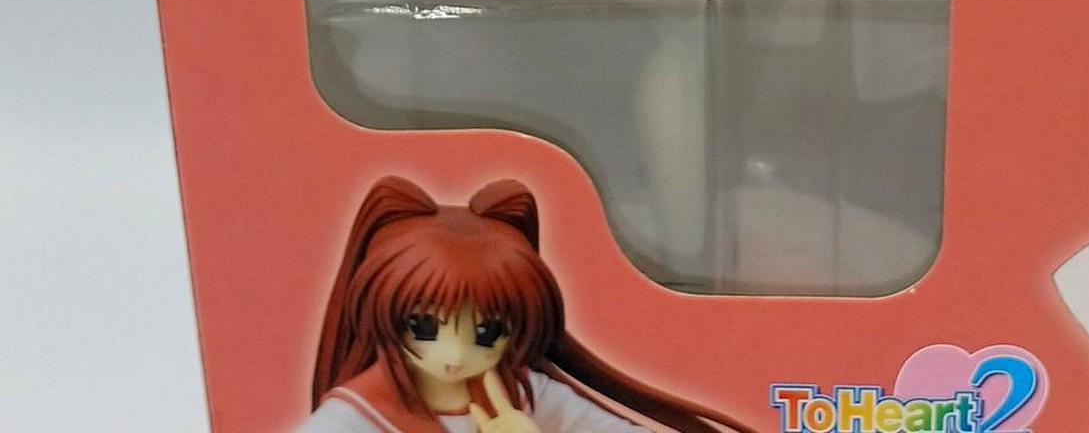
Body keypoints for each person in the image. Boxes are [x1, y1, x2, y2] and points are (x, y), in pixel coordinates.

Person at [301, 177, 758, 433]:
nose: (455, 355)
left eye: (486, 333)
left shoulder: (517, 395)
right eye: (424, 326)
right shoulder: (358, 414)